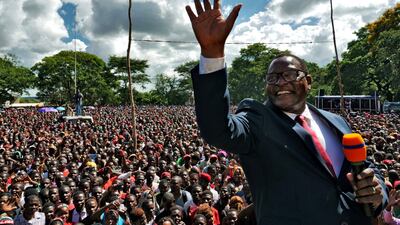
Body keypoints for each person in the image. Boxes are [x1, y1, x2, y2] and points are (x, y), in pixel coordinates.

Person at [185, 0, 388, 224]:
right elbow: (217, 129)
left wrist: (378, 192)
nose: (280, 83)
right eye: (273, 78)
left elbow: (368, 167)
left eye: (289, 75)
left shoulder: (335, 121)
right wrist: (212, 54)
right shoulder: (257, 120)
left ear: (308, 82)